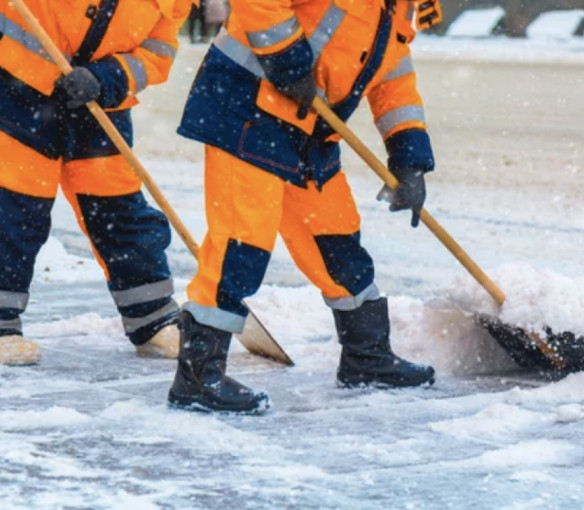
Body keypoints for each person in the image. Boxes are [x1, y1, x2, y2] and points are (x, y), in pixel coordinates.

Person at [169, 0, 444, 414]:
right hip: (248, 106)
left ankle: (365, 358)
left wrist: (410, 158)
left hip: (311, 126)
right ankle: (197, 377)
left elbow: (393, 75)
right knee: (242, 243)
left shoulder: (409, 6)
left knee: (337, 239)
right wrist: (290, 62)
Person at [0, 0, 193, 365]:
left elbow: (157, 53)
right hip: (12, 85)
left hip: (96, 100)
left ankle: (153, 319)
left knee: (119, 209)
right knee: (17, 211)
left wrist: (106, 77)